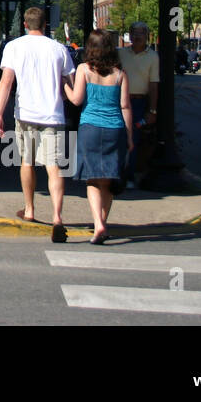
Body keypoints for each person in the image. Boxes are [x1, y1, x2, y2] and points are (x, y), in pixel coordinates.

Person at [0, 7, 76, 242]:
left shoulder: (14, 47)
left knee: (27, 162)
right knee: (54, 166)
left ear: (25, 24)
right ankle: (57, 217)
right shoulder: (59, 49)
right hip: (53, 114)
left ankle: (29, 209)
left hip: (26, 113)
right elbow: (69, 82)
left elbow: (6, 82)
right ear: (45, 25)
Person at [64, 30, 133, 244]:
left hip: (90, 128)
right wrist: (130, 137)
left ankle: (98, 224)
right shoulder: (120, 74)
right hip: (115, 129)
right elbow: (125, 106)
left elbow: (76, 100)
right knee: (109, 179)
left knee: (93, 179)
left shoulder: (84, 69)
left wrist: (65, 86)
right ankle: (104, 220)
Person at [117, 21, 159, 186]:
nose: (137, 36)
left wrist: (153, 110)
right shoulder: (121, 53)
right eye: (134, 32)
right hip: (119, 100)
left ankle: (129, 175)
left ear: (147, 35)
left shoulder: (152, 57)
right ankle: (116, 173)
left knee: (132, 139)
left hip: (139, 102)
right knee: (117, 137)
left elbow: (153, 84)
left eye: (141, 32)